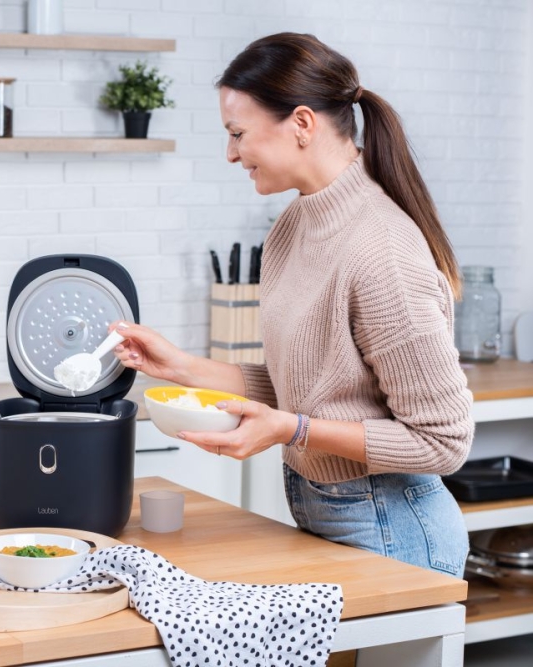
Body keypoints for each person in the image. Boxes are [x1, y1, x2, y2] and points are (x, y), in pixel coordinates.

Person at [114, 33, 473, 577]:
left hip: (394, 527)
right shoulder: (292, 226)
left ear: (302, 123)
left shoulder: (383, 252)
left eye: (237, 134)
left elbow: (443, 441)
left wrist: (292, 431)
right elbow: (308, 387)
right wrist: (182, 368)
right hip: (323, 510)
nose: (230, 153)